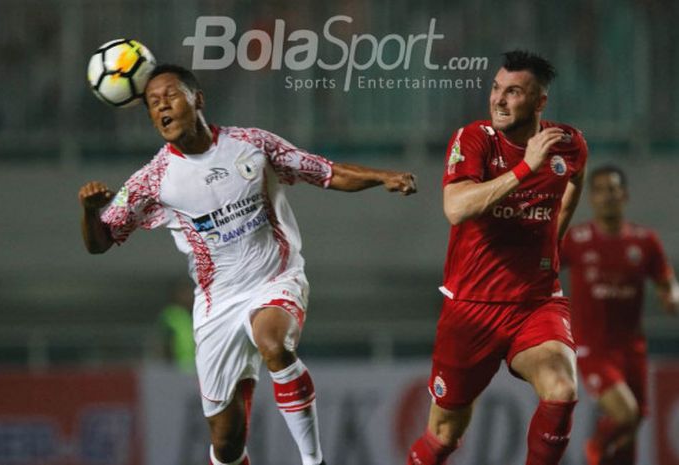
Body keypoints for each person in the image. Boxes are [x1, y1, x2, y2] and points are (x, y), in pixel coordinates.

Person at [78, 64, 417, 465]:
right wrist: (88, 211)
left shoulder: (252, 144)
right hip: (217, 304)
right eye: (153, 104)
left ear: (197, 99)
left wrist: (383, 177)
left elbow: (325, 172)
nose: (162, 108)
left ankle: (314, 461)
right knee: (226, 442)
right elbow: (100, 243)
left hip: (275, 278)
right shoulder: (152, 181)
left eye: (170, 96)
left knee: (274, 344)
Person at [407, 50, 588, 465]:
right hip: (471, 309)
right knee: (443, 437)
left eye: (513, 92)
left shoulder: (569, 144)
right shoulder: (473, 139)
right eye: (495, 88)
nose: (499, 100)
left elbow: (574, 179)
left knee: (561, 390)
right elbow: (456, 208)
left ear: (540, 102)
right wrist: (526, 169)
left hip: (535, 303)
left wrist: (553, 240)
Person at [560, 165, 679, 465]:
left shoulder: (644, 241)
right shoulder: (577, 239)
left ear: (623, 195)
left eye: (612, 190)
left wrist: (672, 296)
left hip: (632, 349)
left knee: (633, 425)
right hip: (593, 348)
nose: (606, 197)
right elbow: (541, 268)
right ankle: (595, 448)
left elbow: (667, 282)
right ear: (592, 199)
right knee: (625, 413)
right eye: (599, 190)